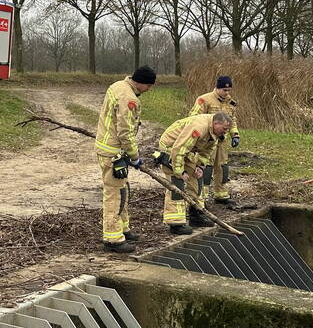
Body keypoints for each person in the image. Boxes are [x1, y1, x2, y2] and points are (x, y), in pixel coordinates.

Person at [94, 66, 155, 253]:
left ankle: (123, 228)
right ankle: (113, 239)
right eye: (149, 86)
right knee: (114, 194)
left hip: (110, 147)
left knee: (123, 190)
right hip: (113, 152)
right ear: (141, 82)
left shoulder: (117, 85)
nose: (149, 89)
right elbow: (125, 132)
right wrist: (135, 156)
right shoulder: (128, 98)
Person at [155, 112, 233, 233]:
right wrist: (179, 171)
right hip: (172, 148)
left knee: (197, 181)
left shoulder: (215, 133)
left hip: (188, 151)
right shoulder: (199, 127)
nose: (225, 132)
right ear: (216, 123)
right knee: (177, 184)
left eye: (227, 130)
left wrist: (200, 167)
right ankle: (175, 224)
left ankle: (196, 214)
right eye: (224, 129)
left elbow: (207, 151)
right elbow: (179, 149)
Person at [189, 75, 240, 205]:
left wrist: (235, 135)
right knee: (205, 166)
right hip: (208, 140)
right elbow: (194, 118)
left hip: (222, 141)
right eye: (224, 90)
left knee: (222, 167)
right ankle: (203, 197)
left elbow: (232, 120)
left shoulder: (231, 102)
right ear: (217, 88)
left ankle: (221, 194)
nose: (227, 93)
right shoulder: (204, 100)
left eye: (229, 90)